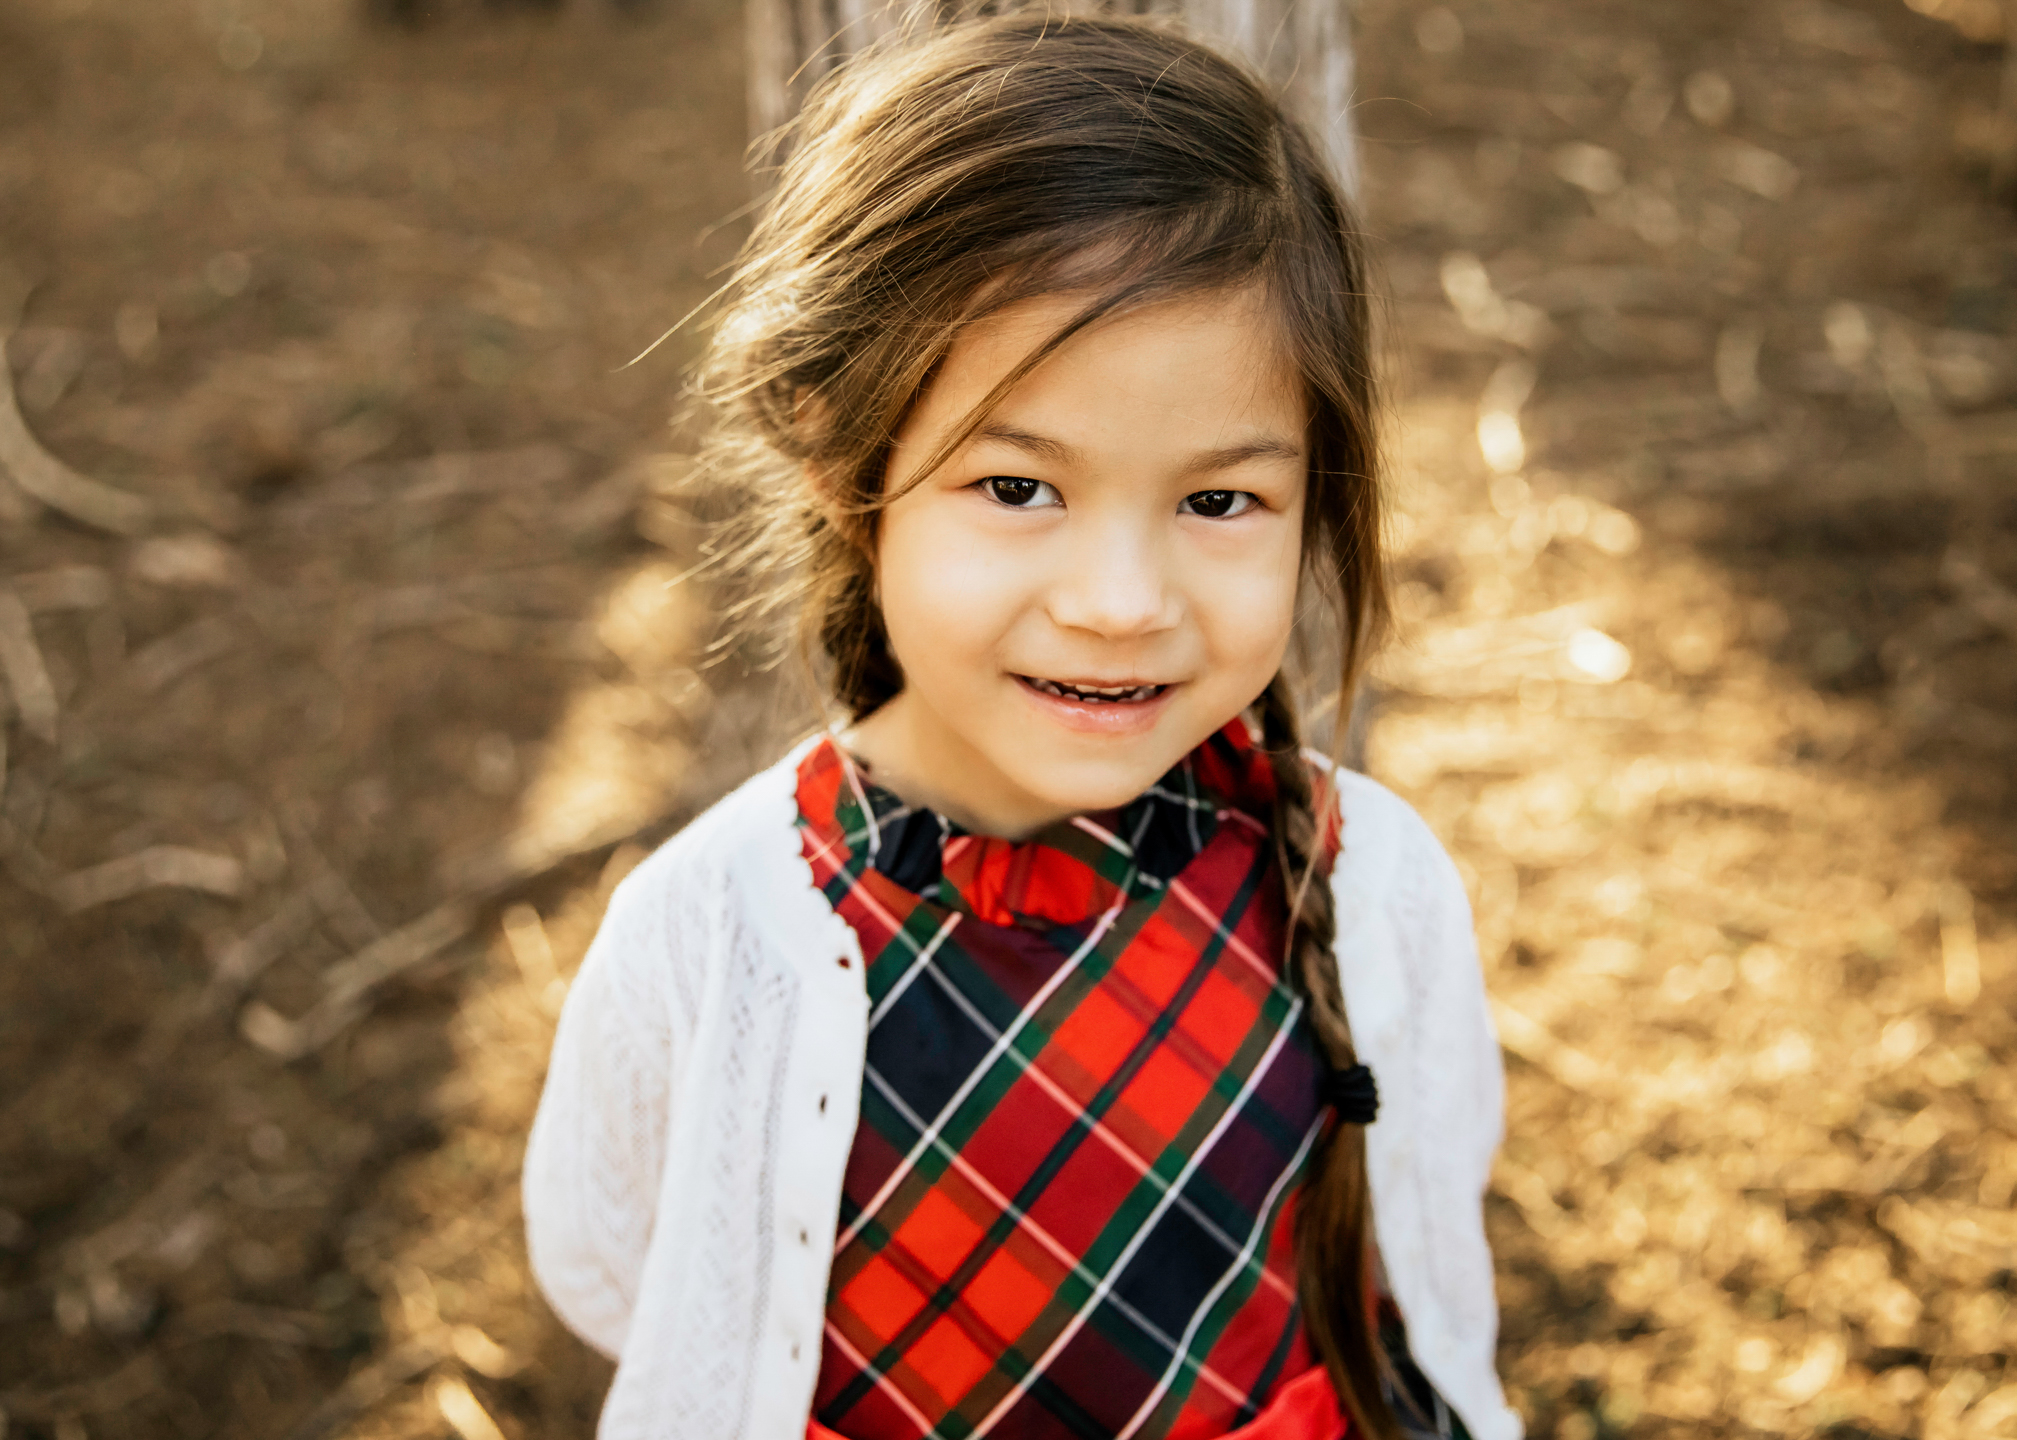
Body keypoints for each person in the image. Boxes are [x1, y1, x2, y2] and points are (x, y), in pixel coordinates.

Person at [522, 14, 1515, 1440]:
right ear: (835, 453)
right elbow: (616, 1259)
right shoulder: (712, 932)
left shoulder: (1374, 888)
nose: (1120, 603)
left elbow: (1423, 1213)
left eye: (1219, 501)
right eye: (1016, 487)